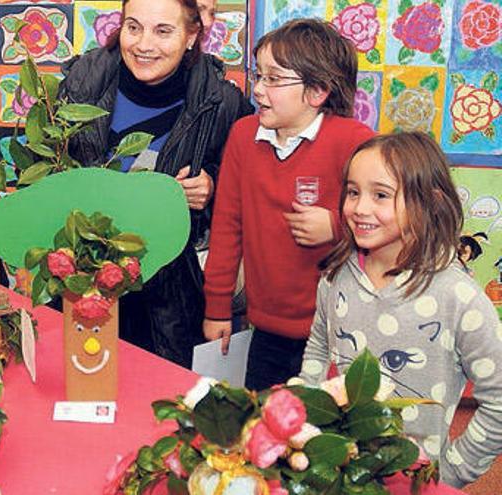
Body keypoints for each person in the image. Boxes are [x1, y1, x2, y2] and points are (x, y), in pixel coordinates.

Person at [298, 132, 502, 488]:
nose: (360, 208)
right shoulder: (336, 278)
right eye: (352, 191)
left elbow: (499, 399)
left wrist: (452, 471)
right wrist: (306, 421)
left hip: (416, 481)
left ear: (430, 202)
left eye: (380, 195)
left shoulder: (457, 296)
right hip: (341, 474)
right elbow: (318, 345)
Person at [58, 0, 252, 368]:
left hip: (171, 305)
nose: (144, 44)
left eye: (163, 31)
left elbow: (248, 194)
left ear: (192, 34)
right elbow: (47, 177)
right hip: (84, 290)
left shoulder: (221, 103)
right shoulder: (81, 86)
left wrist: (212, 188)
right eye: (134, 27)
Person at [202, 19, 374, 390]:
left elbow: (398, 216)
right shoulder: (244, 135)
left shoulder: (355, 141)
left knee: (328, 435)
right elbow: (227, 224)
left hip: (338, 334)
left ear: (317, 92)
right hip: (264, 329)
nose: (259, 89)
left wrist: (336, 226)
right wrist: (217, 308)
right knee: (264, 428)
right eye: (258, 75)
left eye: (274, 79)